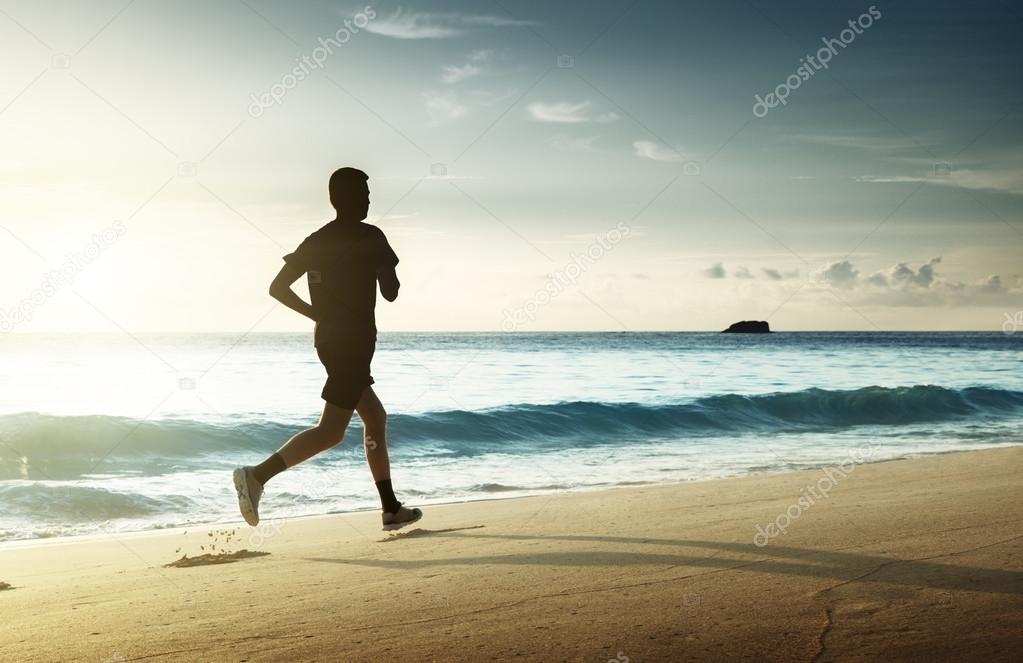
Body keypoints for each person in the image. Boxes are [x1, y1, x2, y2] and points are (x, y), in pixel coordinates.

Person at [233, 167, 422, 532]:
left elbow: (278, 287)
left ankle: (390, 508)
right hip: (353, 342)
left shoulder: (316, 240)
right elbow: (391, 292)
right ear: (346, 198)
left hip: (329, 340)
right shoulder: (371, 236)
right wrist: (386, 267)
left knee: (374, 418)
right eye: (364, 194)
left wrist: (316, 313)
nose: (369, 200)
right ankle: (256, 475)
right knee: (332, 430)